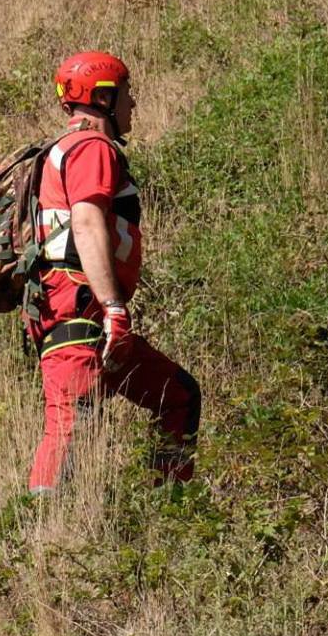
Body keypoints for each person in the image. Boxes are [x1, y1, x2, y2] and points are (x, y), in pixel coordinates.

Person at [26, 51, 201, 494]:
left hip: (78, 315)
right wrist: (114, 307)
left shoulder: (63, 150)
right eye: (127, 93)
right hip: (80, 312)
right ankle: (41, 540)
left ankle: (170, 510)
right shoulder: (93, 149)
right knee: (71, 430)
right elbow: (86, 223)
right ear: (104, 99)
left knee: (178, 396)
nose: (133, 104)